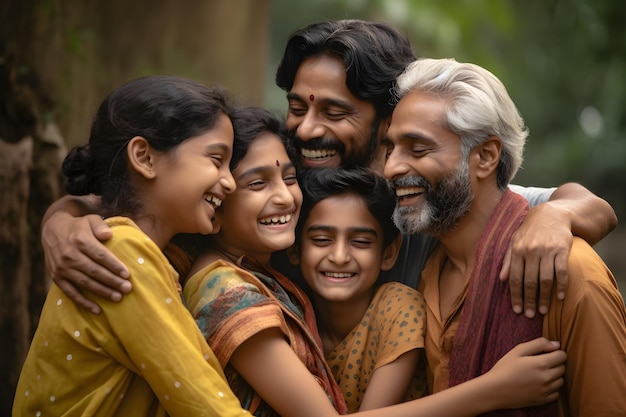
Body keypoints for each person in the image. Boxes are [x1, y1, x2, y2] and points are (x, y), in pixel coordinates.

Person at [38, 20, 617, 320]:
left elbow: (586, 204)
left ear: (391, 116)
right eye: (297, 106)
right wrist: (60, 222)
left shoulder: (426, 197)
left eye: (335, 112)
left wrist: (557, 216)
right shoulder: (263, 195)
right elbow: (129, 198)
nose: (308, 129)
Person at [181, 106, 566, 417]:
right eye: (257, 183)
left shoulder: (261, 272)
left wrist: (557, 212)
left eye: (289, 177)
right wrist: (493, 390)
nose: (284, 197)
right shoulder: (225, 290)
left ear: (388, 252)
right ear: (219, 193)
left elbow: (546, 200)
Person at [383, 57, 626, 417]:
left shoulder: (572, 274)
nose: (391, 167)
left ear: (485, 157)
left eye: (417, 149)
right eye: (390, 149)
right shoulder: (425, 273)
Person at [12, 76, 253, 416]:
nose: (229, 182)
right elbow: (210, 409)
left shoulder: (145, 249)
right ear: (144, 157)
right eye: (216, 160)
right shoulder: (122, 249)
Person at [289, 167, 427, 412]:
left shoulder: (397, 308)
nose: (340, 257)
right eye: (321, 240)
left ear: (389, 253)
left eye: (360, 242)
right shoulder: (290, 317)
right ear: (295, 249)